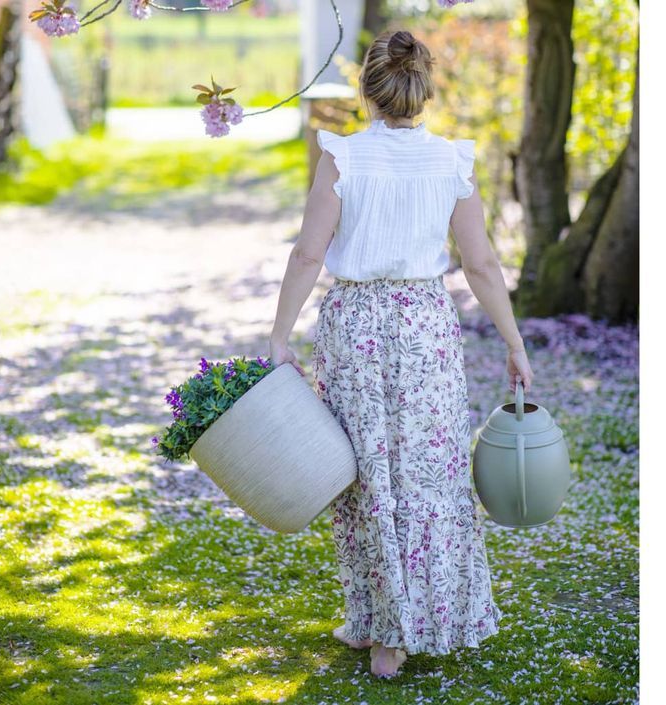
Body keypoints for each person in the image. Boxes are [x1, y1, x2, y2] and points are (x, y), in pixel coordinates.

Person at [268, 29, 534, 678]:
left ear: (367, 90)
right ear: (424, 90)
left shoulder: (343, 158)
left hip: (356, 321)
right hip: (424, 325)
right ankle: (407, 619)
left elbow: (307, 253)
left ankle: (383, 628)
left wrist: (278, 335)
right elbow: (481, 264)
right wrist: (514, 341)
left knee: (364, 474)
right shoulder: (450, 162)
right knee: (428, 472)